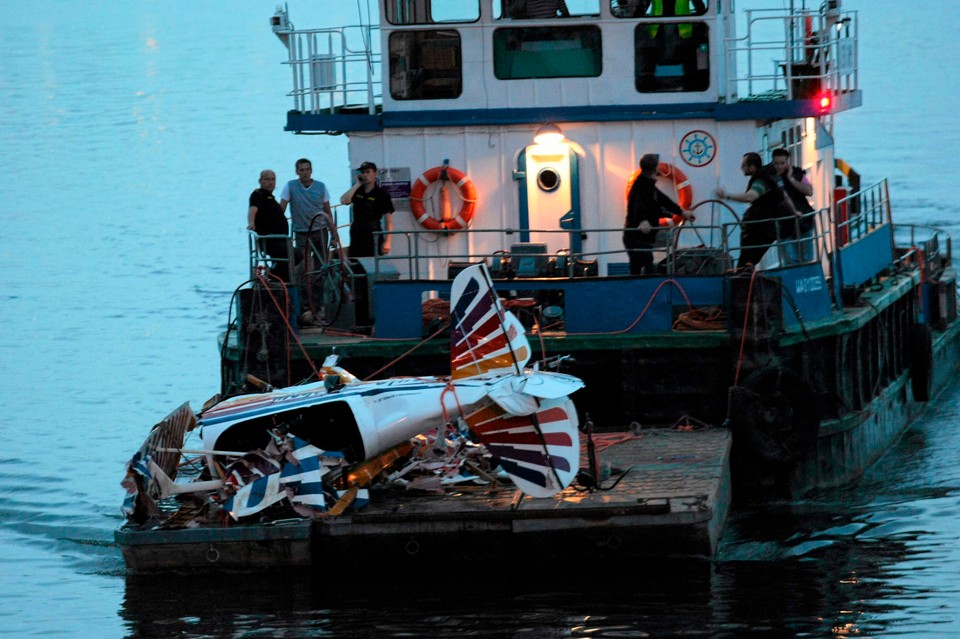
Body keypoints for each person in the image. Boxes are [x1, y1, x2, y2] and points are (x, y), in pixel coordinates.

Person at [715, 152, 790, 270]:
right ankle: (746, 276)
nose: (741, 168)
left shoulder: (761, 180)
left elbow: (751, 196)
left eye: (743, 165)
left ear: (752, 167)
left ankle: (742, 281)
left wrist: (727, 196)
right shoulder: (770, 176)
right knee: (750, 260)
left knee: (746, 261)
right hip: (768, 226)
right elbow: (784, 197)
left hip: (759, 228)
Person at [623, 153, 687, 275]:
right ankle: (649, 288)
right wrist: (642, 220)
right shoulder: (641, 185)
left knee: (639, 265)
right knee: (645, 263)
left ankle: (640, 288)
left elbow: (663, 201)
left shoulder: (647, 185)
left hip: (636, 236)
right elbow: (638, 203)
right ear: (656, 168)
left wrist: (682, 212)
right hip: (637, 236)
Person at [279, 158, 339, 265]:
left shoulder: (321, 186)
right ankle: (305, 281)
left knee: (321, 263)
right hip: (301, 232)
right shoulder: (290, 186)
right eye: (302, 170)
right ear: (297, 172)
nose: (305, 173)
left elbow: (327, 211)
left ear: (311, 170)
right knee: (303, 263)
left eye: (307, 169)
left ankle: (319, 281)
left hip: (320, 231)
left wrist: (334, 234)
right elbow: (281, 210)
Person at [339, 161, 394, 258]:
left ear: (375, 174)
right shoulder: (357, 191)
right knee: (356, 263)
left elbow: (389, 220)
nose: (365, 175)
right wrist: (357, 184)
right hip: (357, 232)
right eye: (363, 172)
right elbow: (344, 200)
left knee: (373, 263)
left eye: (368, 172)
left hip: (373, 232)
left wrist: (387, 241)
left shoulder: (382, 194)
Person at [770, 149, 816, 264]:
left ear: (787, 162)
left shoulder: (797, 173)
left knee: (807, 257)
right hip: (783, 222)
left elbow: (809, 191)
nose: (779, 166)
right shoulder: (770, 177)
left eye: (782, 163)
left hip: (803, 219)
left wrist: (791, 179)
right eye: (776, 163)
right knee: (790, 260)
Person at [247, 169, 290, 281]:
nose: (270, 182)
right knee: (292, 254)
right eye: (267, 179)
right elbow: (253, 209)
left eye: (273, 179)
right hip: (270, 241)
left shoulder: (270, 197)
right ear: (260, 181)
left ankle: (275, 275)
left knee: (296, 254)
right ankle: (272, 275)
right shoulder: (257, 195)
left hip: (281, 239)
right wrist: (251, 223)